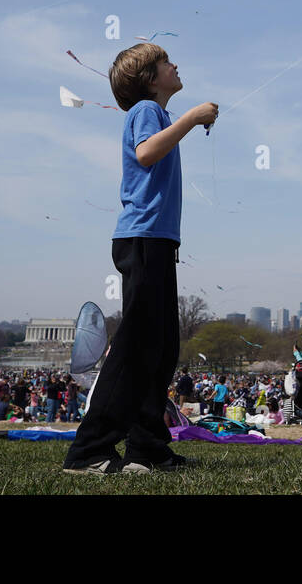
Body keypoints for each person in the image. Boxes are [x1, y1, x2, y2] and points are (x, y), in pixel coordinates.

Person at [63, 43, 219, 474]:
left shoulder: (158, 114)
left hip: (157, 241)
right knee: (135, 349)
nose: (176, 64)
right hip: (142, 239)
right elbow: (146, 153)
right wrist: (192, 117)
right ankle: (88, 450)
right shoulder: (145, 112)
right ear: (150, 79)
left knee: (162, 348)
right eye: (167, 62)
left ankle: (148, 447)